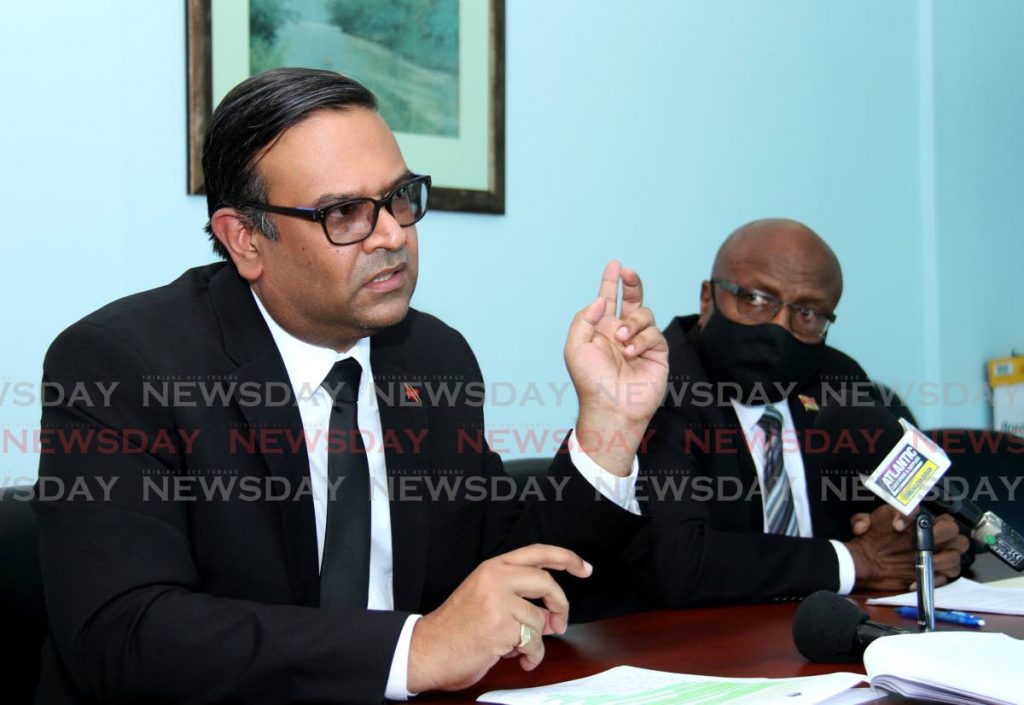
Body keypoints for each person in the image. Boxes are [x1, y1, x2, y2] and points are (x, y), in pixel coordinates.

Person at [33, 68, 668, 704]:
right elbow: (122, 634)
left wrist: (610, 428)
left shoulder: (432, 358)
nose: (393, 235)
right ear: (245, 240)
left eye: (398, 198)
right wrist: (414, 651)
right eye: (344, 213)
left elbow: (514, 577)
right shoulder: (123, 366)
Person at [633, 218, 968, 607]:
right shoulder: (657, 384)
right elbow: (679, 560)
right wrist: (856, 561)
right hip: (686, 648)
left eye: (807, 313)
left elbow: (942, 510)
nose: (779, 328)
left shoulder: (837, 379)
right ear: (707, 299)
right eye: (756, 298)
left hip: (836, 634)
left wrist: (932, 540)